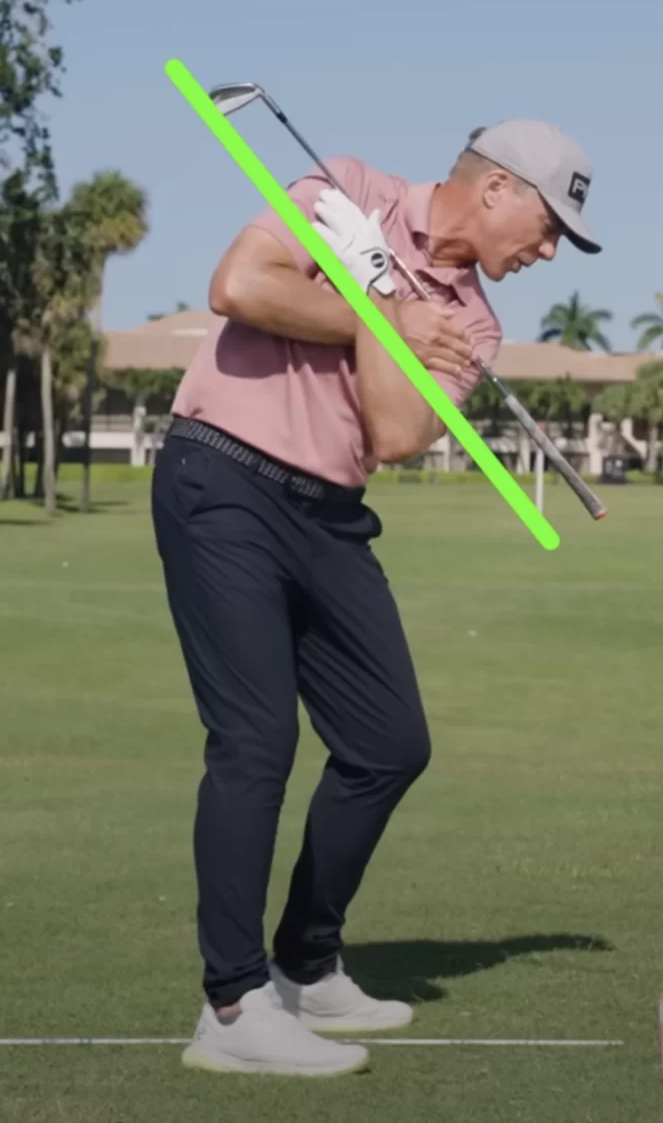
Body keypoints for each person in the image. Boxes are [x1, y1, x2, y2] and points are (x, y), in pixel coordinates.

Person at [151, 118, 603, 1075]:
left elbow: (395, 431)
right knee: (256, 739)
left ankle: (306, 962)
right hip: (222, 477)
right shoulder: (347, 185)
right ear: (495, 189)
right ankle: (232, 1010)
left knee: (390, 742)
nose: (550, 248)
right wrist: (381, 312)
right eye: (549, 222)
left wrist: (370, 311)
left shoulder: (476, 325)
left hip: (329, 510)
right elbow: (238, 287)